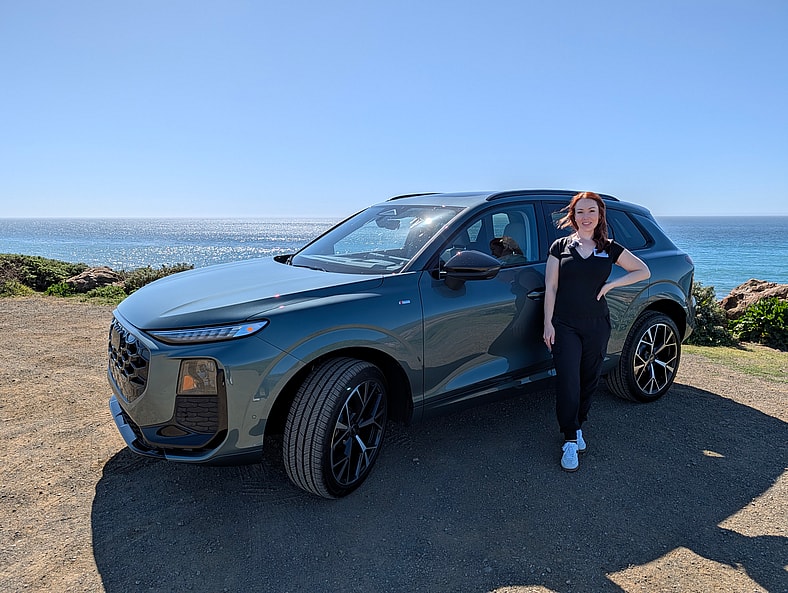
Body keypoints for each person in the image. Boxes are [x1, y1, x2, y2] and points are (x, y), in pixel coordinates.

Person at [543, 191, 650, 472]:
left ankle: (579, 425)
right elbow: (551, 287)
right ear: (573, 216)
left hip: (596, 324)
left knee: (589, 378)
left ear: (600, 215)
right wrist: (547, 323)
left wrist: (610, 285)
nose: (586, 216)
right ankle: (569, 438)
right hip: (564, 324)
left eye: (591, 211)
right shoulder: (560, 246)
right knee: (568, 380)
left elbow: (642, 271)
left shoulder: (609, 247)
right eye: (580, 212)